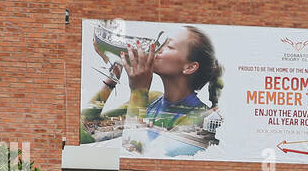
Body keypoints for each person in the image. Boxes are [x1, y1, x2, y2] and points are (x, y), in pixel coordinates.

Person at [82, 24, 224, 153]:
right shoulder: (152, 99)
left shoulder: (202, 119)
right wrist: (112, 78)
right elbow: (85, 132)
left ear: (190, 67)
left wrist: (139, 91)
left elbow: (134, 155)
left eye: (169, 46)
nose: (157, 49)